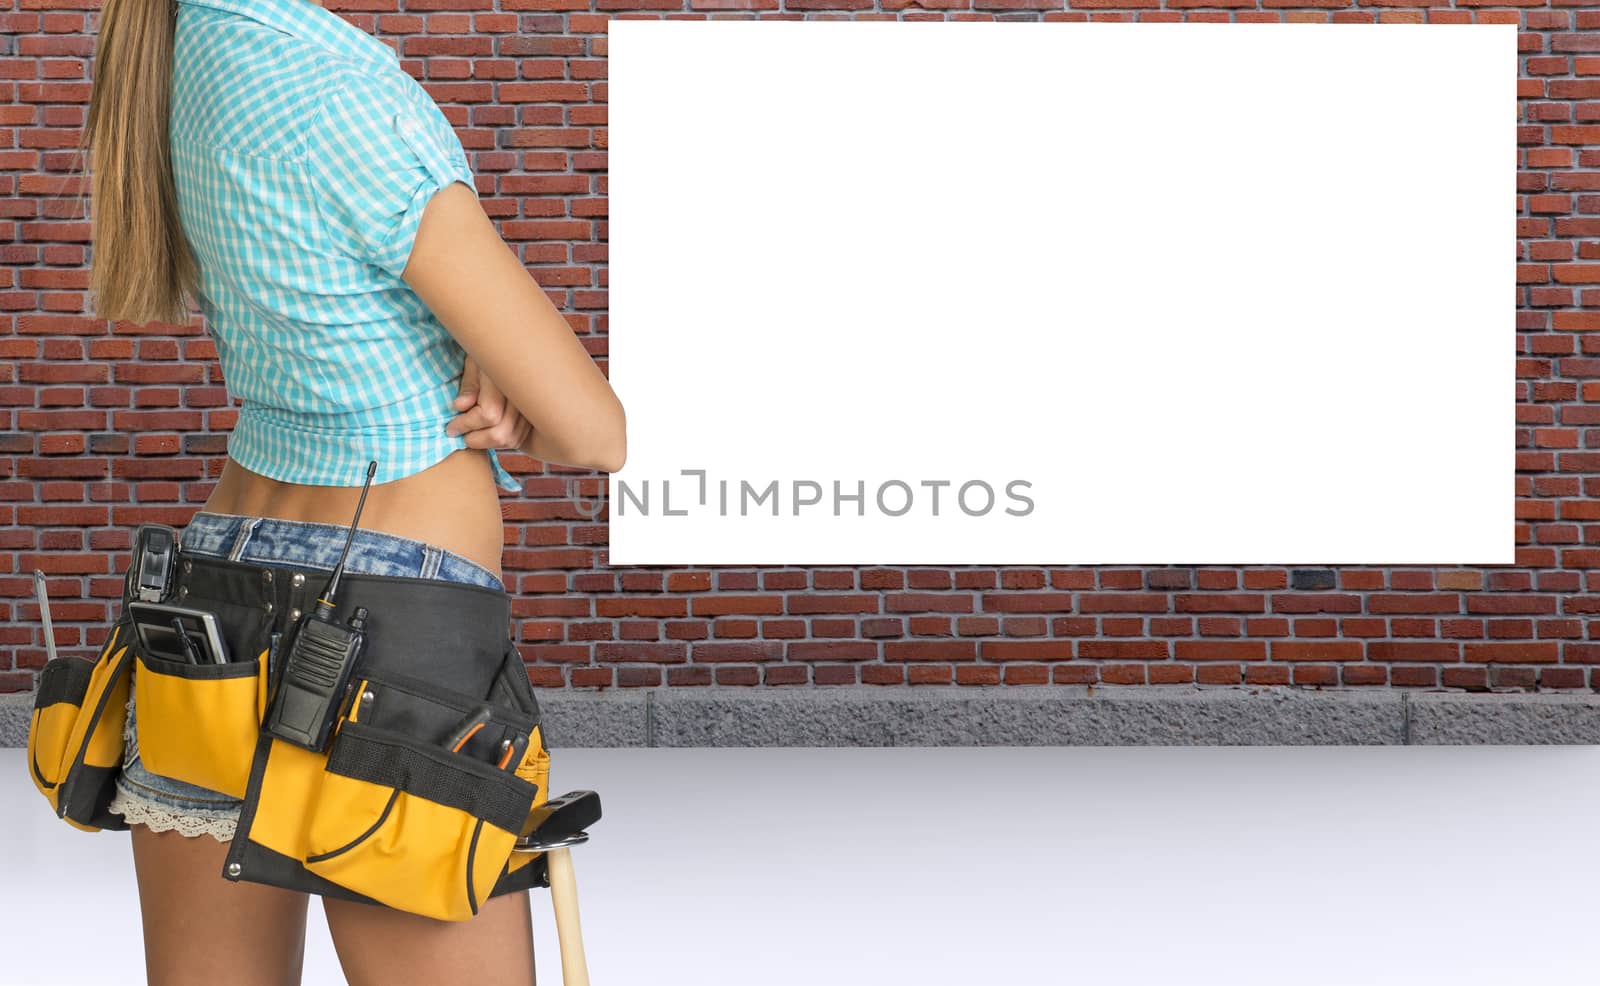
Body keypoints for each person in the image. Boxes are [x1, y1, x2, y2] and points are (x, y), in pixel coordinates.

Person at [75, 0, 626, 983]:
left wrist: (465, 348)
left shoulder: (179, 54)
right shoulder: (347, 97)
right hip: (391, 620)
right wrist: (497, 373)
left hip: (207, 597)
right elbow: (594, 429)